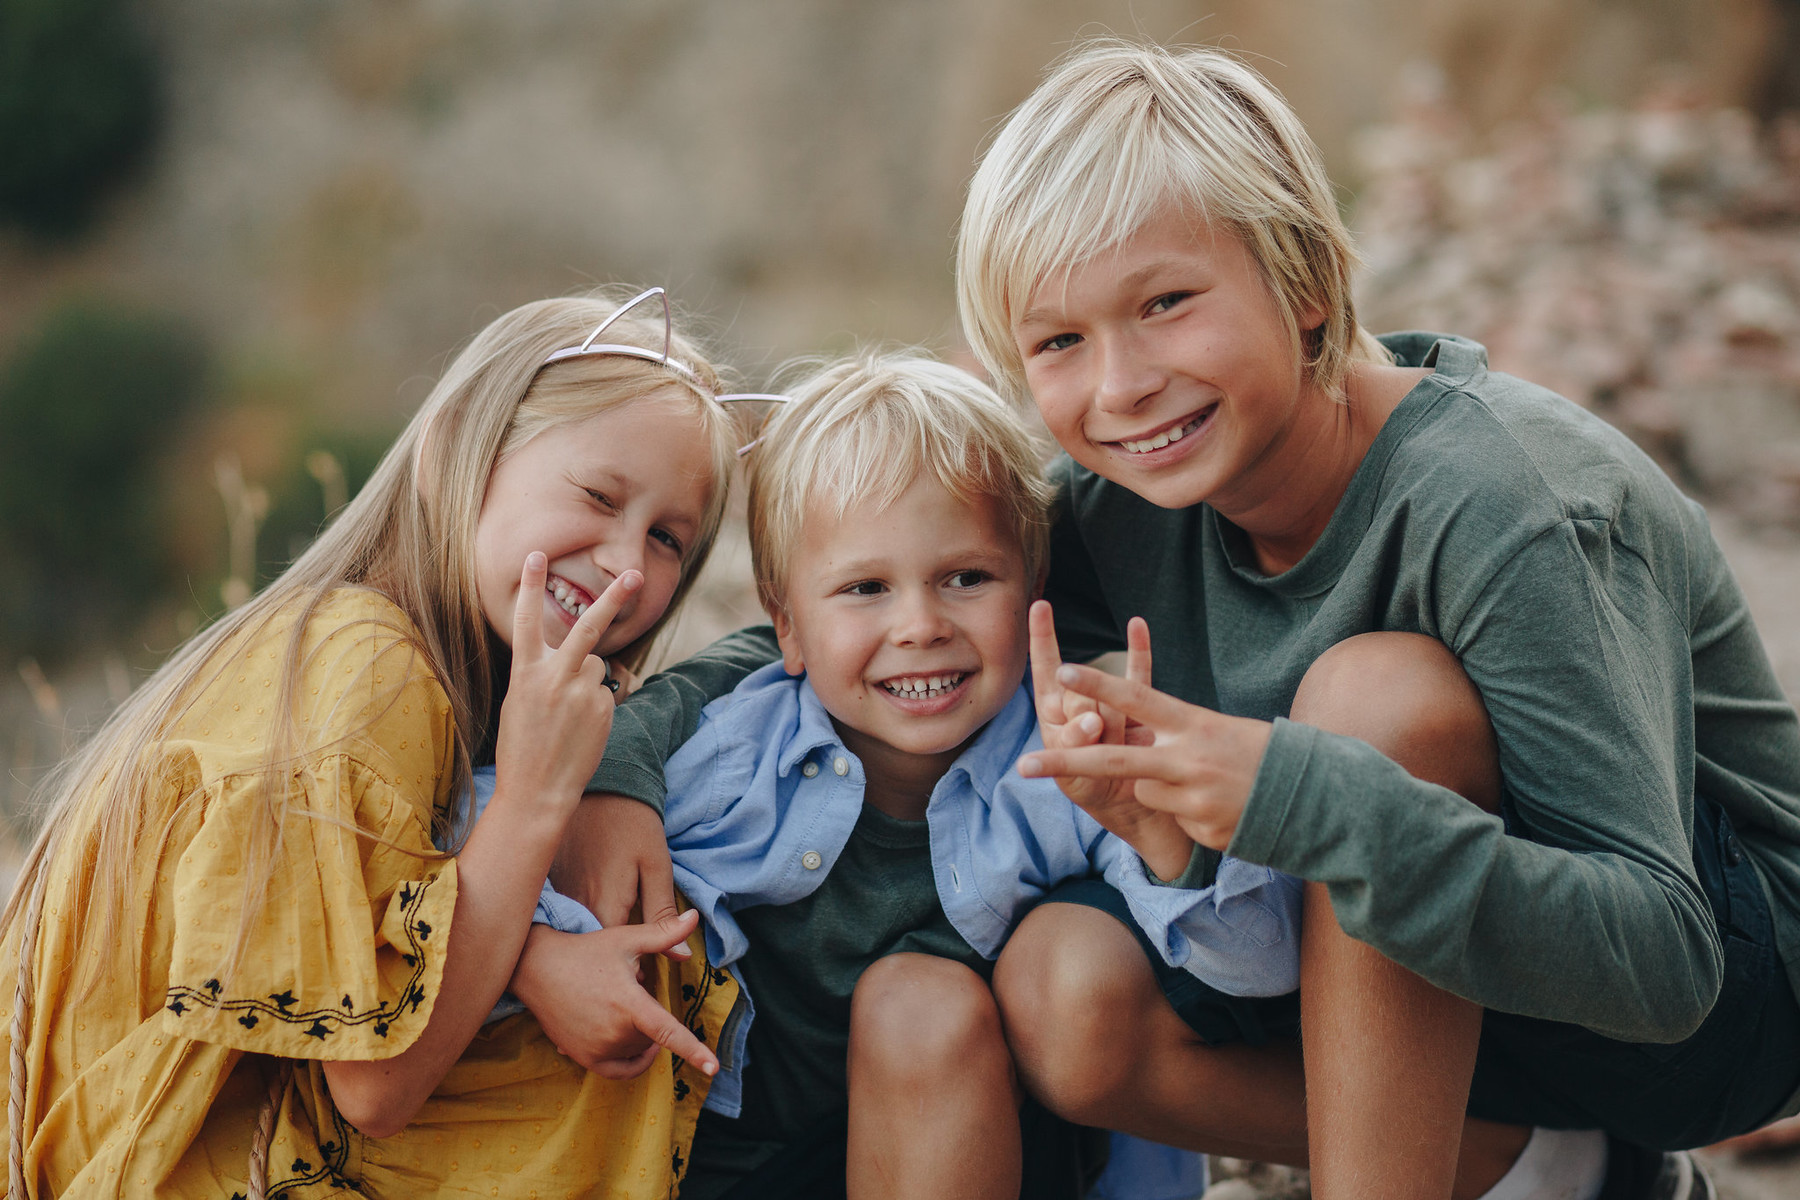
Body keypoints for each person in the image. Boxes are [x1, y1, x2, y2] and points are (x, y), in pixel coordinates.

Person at [951, 39, 1800, 1200]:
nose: (1120, 385)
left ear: (1304, 282)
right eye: (1059, 341)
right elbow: (886, 588)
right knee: (1067, 990)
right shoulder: (1126, 504)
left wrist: (1302, 800)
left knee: (1375, 702)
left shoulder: (1504, 501)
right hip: (1452, 973)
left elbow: (1664, 965)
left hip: (1707, 993)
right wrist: (637, 770)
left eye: (1165, 304)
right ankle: (1560, 1171)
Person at [485, 352, 1299, 1200]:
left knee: (920, 1000)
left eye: (966, 578)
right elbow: (473, 837)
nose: (920, 625)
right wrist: (538, 955)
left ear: (1033, 590)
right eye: (866, 587)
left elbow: (1262, 961)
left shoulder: (1070, 762)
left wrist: (1168, 839)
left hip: (968, 1149)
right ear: (786, 627)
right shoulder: (732, 750)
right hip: (709, 1163)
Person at [0, 288, 748, 1197]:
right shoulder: (366, 663)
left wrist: (536, 943)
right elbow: (373, 1079)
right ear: (453, 456)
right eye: (598, 494)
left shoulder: (405, 662)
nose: (627, 566)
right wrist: (536, 797)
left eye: (668, 538)